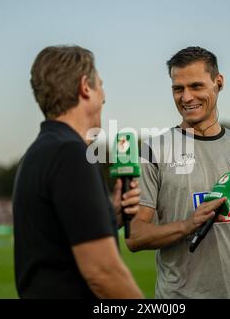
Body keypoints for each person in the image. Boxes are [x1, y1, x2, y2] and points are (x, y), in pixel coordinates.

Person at [126, 46, 230, 299]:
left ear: (218, 83)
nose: (186, 97)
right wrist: (188, 225)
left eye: (196, 86)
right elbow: (135, 236)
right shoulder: (153, 151)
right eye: (178, 88)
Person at [12, 45, 143, 299]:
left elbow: (57, 246)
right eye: (100, 85)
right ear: (85, 87)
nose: (104, 96)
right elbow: (103, 273)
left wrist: (110, 215)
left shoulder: (36, 153)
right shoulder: (71, 154)